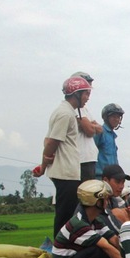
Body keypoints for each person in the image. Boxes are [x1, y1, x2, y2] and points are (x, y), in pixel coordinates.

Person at [49, 180, 124, 258]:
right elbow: (106, 246)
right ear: (97, 202)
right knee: (97, 250)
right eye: (105, 199)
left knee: (105, 251)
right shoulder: (78, 224)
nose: (107, 202)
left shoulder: (95, 221)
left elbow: (114, 240)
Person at [35, 75, 92, 238]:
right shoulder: (65, 114)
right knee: (65, 217)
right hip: (65, 172)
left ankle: (62, 249)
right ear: (76, 94)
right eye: (86, 94)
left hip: (68, 172)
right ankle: (60, 252)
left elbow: (48, 140)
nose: (87, 98)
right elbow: (51, 142)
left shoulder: (66, 112)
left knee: (67, 215)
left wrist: (43, 166)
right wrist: (43, 165)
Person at [71, 72, 102, 182]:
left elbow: (99, 129)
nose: (88, 96)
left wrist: (90, 124)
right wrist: (90, 125)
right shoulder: (75, 109)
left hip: (89, 158)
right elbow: (89, 131)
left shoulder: (84, 109)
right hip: (81, 159)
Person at [94, 103, 125, 179]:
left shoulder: (112, 136)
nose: (117, 119)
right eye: (114, 116)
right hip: (99, 177)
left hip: (112, 178)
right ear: (106, 117)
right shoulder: (100, 132)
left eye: (118, 117)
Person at [101, 164, 130, 230]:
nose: (121, 186)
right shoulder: (97, 201)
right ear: (105, 180)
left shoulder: (116, 200)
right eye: (117, 182)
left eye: (123, 182)